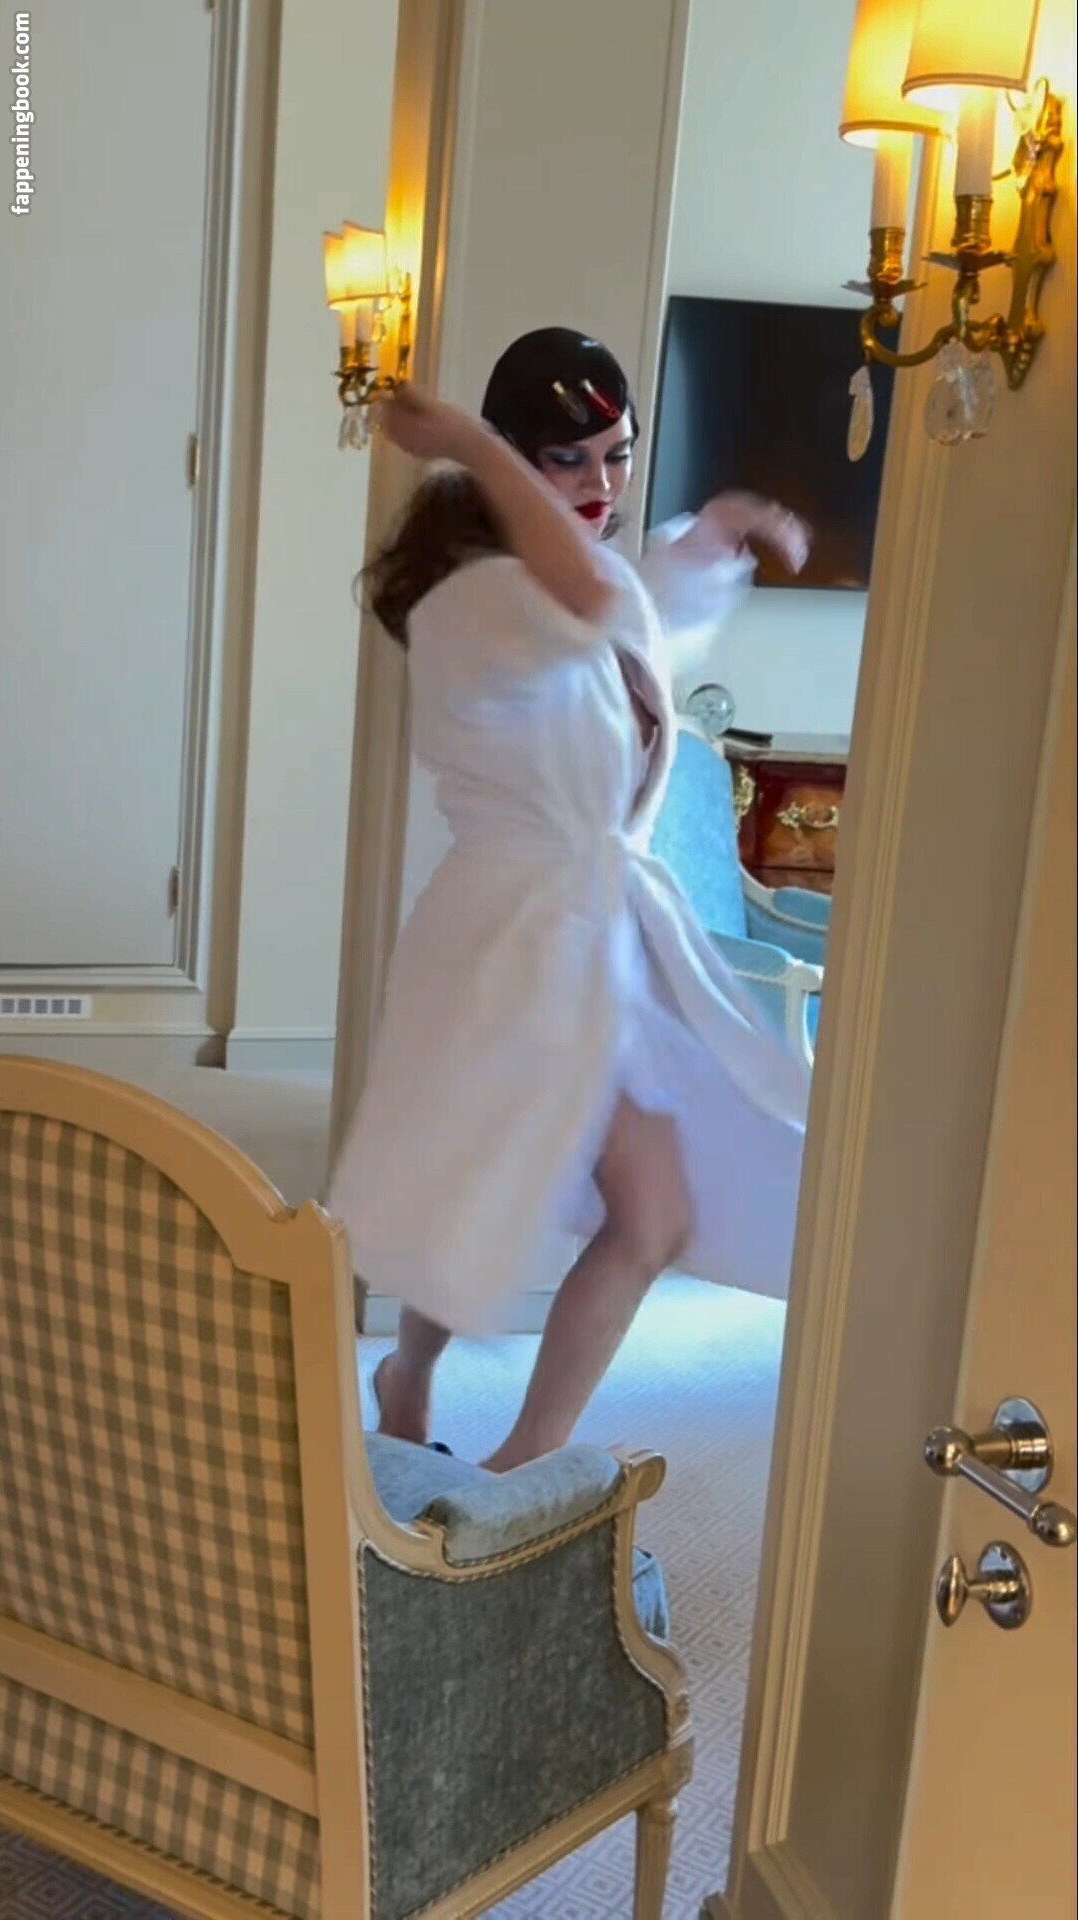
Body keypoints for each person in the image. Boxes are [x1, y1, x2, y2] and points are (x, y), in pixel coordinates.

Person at [328, 328, 812, 1472]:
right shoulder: (473, 603)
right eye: (568, 460)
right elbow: (594, 601)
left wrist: (712, 534)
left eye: (619, 453)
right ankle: (417, 1379)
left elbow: (637, 610)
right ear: (511, 456)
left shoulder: (563, 574)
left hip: (600, 934)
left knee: (645, 1215)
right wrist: (462, 442)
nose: (602, 483)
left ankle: (516, 1458)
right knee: (478, 1181)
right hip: (509, 937)